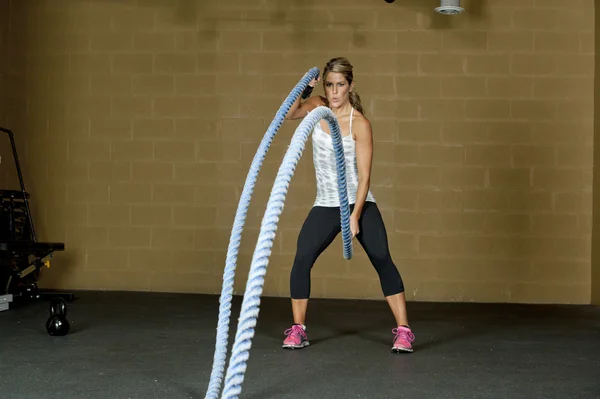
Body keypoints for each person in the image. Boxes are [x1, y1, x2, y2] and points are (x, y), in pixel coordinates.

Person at [281, 57, 415, 353]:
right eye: (329, 85)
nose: (334, 92)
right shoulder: (317, 107)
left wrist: (355, 215)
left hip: (359, 202)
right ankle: (298, 330)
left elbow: (365, 176)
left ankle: (404, 331)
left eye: (340, 85)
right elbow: (288, 114)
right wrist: (305, 88)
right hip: (326, 203)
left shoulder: (360, 124)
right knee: (302, 257)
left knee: (381, 257)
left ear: (350, 86)